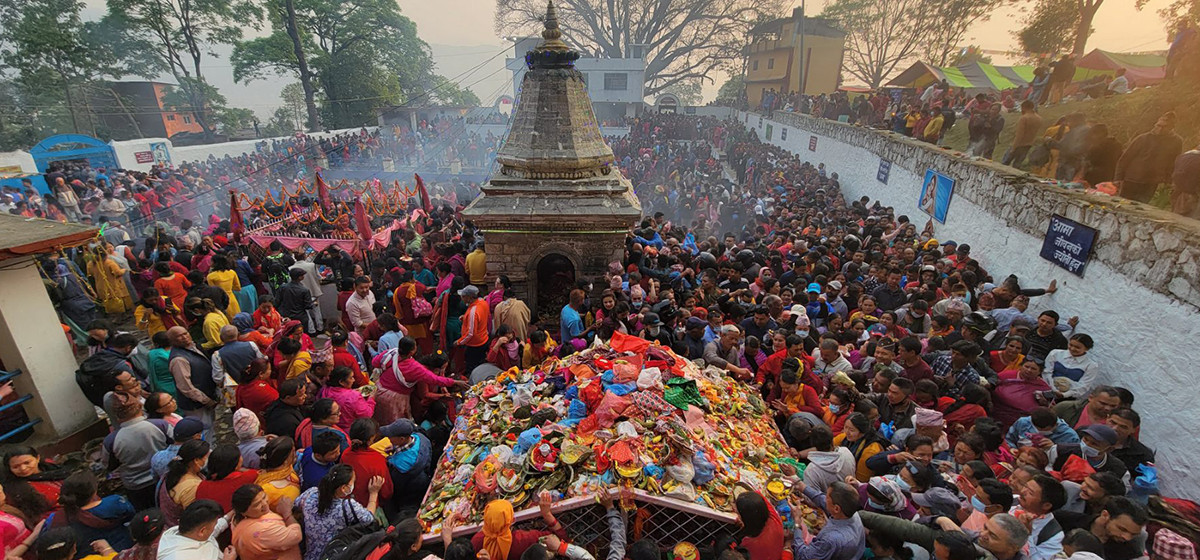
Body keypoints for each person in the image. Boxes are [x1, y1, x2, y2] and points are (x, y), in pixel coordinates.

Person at [298, 465, 382, 560]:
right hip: (333, 555)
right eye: (353, 482)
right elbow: (369, 519)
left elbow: (296, 506)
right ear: (344, 488)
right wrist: (374, 493)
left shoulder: (310, 493)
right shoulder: (347, 507)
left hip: (310, 555)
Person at [49, 471, 135, 558]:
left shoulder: (58, 518)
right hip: (125, 549)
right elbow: (131, 515)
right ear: (94, 492)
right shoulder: (116, 502)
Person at [471, 494, 567, 560]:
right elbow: (560, 539)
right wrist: (547, 514)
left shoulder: (476, 541)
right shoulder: (524, 539)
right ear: (512, 520)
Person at [1115, 112, 1185, 203]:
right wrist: (1118, 178)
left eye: (1164, 127)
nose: (1160, 129)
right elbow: (1125, 158)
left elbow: (1173, 162)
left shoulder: (1176, 141)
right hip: (1131, 179)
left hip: (1152, 182)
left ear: (1171, 128)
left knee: (1141, 206)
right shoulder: (1143, 138)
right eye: (1158, 125)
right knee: (1122, 203)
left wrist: (1167, 180)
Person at [791, 480, 866, 560]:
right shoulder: (850, 512)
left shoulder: (831, 539)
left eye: (827, 497)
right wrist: (803, 487)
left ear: (836, 509)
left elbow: (803, 556)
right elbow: (822, 501)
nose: (824, 498)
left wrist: (797, 523)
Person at [166, 327, 218, 435]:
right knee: (203, 430)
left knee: (211, 427)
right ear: (172, 340)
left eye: (185, 333)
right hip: (196, 404)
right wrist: (206, 400)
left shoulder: (193, 347)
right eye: (179, 336)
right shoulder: (179, 360)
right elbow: (185, 387)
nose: (184, 337)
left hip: (207, 396)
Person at [230, 484, 302, 560]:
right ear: (243, 512)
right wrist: (287, 513)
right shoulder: (260, 531)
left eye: (264, 497)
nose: (264, 504)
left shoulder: (245, 518)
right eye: (257, 504)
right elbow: (296, 535)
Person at [339, 419, 393, 509]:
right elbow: (386, 493)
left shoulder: (345, 454)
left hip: (346, 505)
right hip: (368, 506)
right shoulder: (377, 460)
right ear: (371, 438)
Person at [156, 500, 234, 560]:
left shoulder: (188, 531)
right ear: (202, 531)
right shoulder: (177, 557)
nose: (215, 526)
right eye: (214, 524)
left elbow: (212, 530)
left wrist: (229, 516)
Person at [1014, 474, 1067, 560]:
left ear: (1046, 505)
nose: (1023, 491)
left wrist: (1027, 534)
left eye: (1030, 493)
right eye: (1025, 486)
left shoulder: (1053, 536)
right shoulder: (1012, 500)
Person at [1042, 334, 1098, 401]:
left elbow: (1084, 385)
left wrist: (1065, 394)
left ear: (1087, 349)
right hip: (1046, 388)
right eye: (1070, 345)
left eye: (1077, 347)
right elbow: (1046, 372)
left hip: (1068, 397)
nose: (1072, 348)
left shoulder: (1091, 365)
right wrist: (1053, 389)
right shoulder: (1055, 353)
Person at [256, 437, 301, 509]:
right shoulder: (266, 489)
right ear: (285, 461)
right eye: (293, 452)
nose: (296, 455)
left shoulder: (287, 467)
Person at [1054, 385, 1121, 429]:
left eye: (1113, 406)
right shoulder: (1066, 408)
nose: (1107, 408)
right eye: (1103, 403)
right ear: (1090, 398)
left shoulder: (1118, 422)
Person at [1004, 100, 1044, 169]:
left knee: (1004, 163)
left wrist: (1013, 147)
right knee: (1017, 165)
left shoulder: (1024, 118)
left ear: (1023, 107)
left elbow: (1019, 134)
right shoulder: (1039, 118)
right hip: (1028, 144)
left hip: (1019, 144)